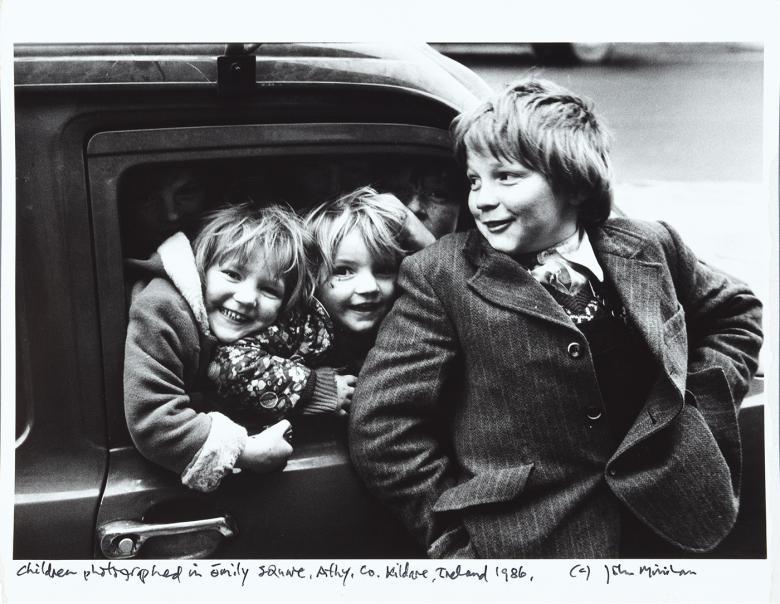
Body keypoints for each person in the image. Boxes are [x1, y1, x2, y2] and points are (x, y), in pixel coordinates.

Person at [348, 78, 763, 558]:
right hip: (532, 546)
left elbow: (736, 313)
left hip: (671, 526)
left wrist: (696, 411)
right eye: (473, 180)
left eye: (506, 177)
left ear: (573, 181)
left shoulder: (649, 245)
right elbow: (382, 425)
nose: (480, 199)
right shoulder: (440, 276)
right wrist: (453, 537)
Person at [208, 186, 435, 426]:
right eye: (344, 271)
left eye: (384, 270)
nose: (369, 287)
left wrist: (418, 232)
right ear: (313, 277)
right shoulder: (300, 322)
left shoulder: (400, 312)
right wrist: (316, 389)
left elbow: (447, 291)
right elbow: (229, 366)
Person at [124, 203, 310, 493]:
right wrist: (245, 452)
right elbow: (155, 420)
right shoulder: (163, 309)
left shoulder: (238, 322)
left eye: (269, 290)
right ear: (202, 266)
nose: (248, 298)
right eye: (233, 275)